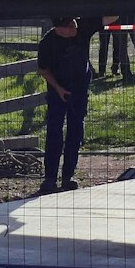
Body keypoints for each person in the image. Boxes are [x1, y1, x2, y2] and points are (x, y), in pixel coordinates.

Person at [36, 15, 102, 194]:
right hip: (58, 92)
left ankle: (68, 176)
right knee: (54, 132)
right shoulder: (48, 42)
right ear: (61, 28)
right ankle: (50, 178)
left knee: (76, 132)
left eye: (74, 24)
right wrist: (58, 89)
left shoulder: (83, 29)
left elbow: (109, 17)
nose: (75, 28)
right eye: (71, 26)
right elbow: (44, 69)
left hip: (79, 91)